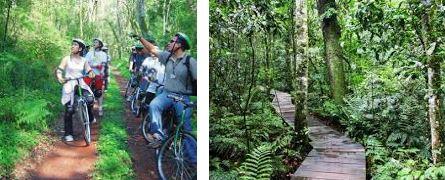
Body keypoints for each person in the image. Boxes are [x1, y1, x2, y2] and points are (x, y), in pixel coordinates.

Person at [131, 32, 196, 163]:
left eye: (172, 41)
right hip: (167, 93)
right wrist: (140, 38)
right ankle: (159, 136)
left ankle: (193, 160)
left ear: (179, 45)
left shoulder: (190, 61)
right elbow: (152, 49)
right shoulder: (167, 57)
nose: (169, 43)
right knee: (154, 105)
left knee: (186, 128)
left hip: (183, 97)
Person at [55, 39, 95, 142]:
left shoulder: (83, 60)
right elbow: (60, 70)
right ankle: (68, 133)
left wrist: (91, 73)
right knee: (69, 110)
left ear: (80, 48)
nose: (72, 46)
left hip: (80, 83)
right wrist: (60, 77)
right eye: (72, 44)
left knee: (90, 99)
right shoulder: (66, 59)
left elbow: (89, 70)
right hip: (69, 84)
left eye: (75, 45)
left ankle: (89, 116)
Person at [85, 38, 108, 116]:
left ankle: (100, 107)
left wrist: (101, 72)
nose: (94, 43)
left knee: (99, 92)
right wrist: (94, 65)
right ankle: (87, 106)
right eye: (94, 42)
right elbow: (86, 63)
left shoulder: (103, 54)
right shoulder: (89, 53)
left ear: (100, 44)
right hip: (89, 74)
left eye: (96, 42)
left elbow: (103, 65)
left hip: (98, 74)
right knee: (85, 89)